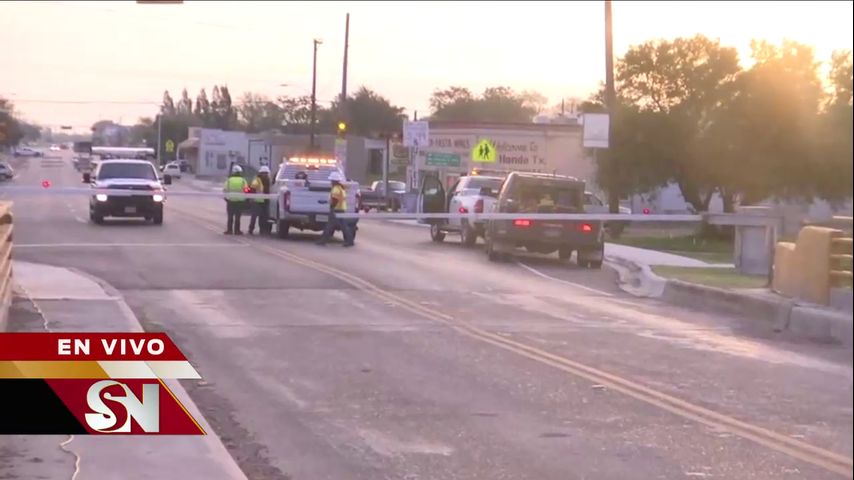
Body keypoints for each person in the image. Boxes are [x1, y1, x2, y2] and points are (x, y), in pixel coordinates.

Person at [315, 171, 354, 247]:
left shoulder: (336, 189)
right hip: (341, 208)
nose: (330, 182)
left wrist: (332, 207)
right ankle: (349, 241)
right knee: (343, 226)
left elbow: (335, 200)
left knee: (330, 226)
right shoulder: (340, 188)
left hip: (336, 209)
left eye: (331, 180)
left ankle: (323, 240)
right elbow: (335, 199)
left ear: (333, 181)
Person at [223, 164, 249, 235]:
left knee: (230, 217)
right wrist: (246, 198)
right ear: (240, 172)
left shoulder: (229, 180)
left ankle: (229, 230)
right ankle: (237, 231)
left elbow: (225, 190)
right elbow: (246, 190)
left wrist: (226, 198)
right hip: (240, 202)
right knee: (238, 217)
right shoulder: (243, 181)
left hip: (230, 201)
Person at [248, 165, 272, 235]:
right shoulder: (257, 180)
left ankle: (262, 230)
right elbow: (252, 189)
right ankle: (251, 229)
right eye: (264, 173)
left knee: (264, 217)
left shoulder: (268, 180)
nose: (265, 174)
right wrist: (250, 197)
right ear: (261, 173)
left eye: (266, 173)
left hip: (265, 201)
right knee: (254, 217)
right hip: (256, 201)